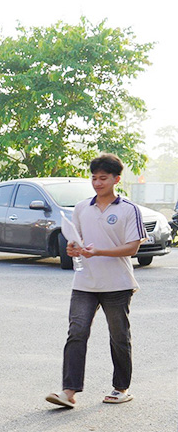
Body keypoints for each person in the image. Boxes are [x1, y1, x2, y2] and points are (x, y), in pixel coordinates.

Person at [47, 153, 146, 408]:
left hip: (118, 284)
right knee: (76, 333)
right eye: (94, 178)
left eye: (103, 178)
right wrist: (73, 249)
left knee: (119, 336)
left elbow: (133, 247)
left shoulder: (128, 209)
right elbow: (76, 240)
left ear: (116, 179)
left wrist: (99, 251)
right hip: (84, 283)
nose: (97, 183)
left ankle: (121, 388)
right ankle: (68, 392)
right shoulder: (81, 208)